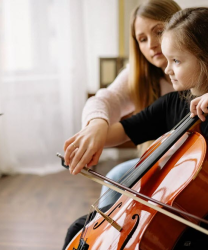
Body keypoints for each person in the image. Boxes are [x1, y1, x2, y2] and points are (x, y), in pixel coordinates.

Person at [63, 6, 208, 249]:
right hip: (170, 209)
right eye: (168, 58)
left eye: (176, 60)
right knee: (80, 229)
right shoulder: (172, 103)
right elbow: (122, 131)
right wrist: (92, 134)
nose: (167, 68)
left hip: (197, 221)